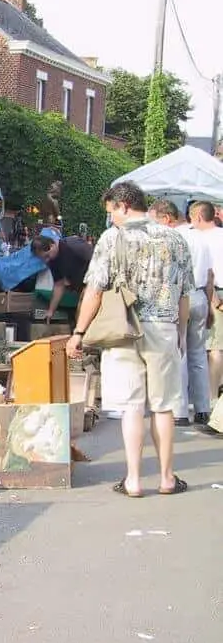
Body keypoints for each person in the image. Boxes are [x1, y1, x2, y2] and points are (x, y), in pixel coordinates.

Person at [67, 181, 193, 497]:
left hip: (122, 330)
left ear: (123, 205)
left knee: (132, 407)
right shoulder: (174, 236)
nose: (111, 218)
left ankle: (134, 480)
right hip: (164, 329)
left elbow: (94, 292)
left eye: (112, 211)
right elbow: (184, 295)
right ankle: (166, 477)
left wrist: (79, 333)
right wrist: (180, 334)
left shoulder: (112, 239)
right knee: (164, 408)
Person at [148, 200, 214, 426]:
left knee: (179, 352)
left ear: (166, 218)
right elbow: (210, 274)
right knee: (198, 355)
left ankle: (180, 410)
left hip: (179, 296)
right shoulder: (200, 238)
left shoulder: (173, 239)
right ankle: (203, 408)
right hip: (201, 296)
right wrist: (209, 301)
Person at [191, 201, 223, 402]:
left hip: (213, 294)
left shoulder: (201, 239)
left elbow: (208, 273)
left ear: (199, 217)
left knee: (214, 348)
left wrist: (214, 300)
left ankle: (211, 399)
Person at [31, 234, 94, 322]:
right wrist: (51, 311)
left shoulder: (72, 245)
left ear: (52, 245)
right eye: (43, 259)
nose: (46, 260)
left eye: (47, 256)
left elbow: (97, 259)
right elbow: (59, 286)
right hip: (82, 289)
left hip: (95, 285)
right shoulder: (52, 262)